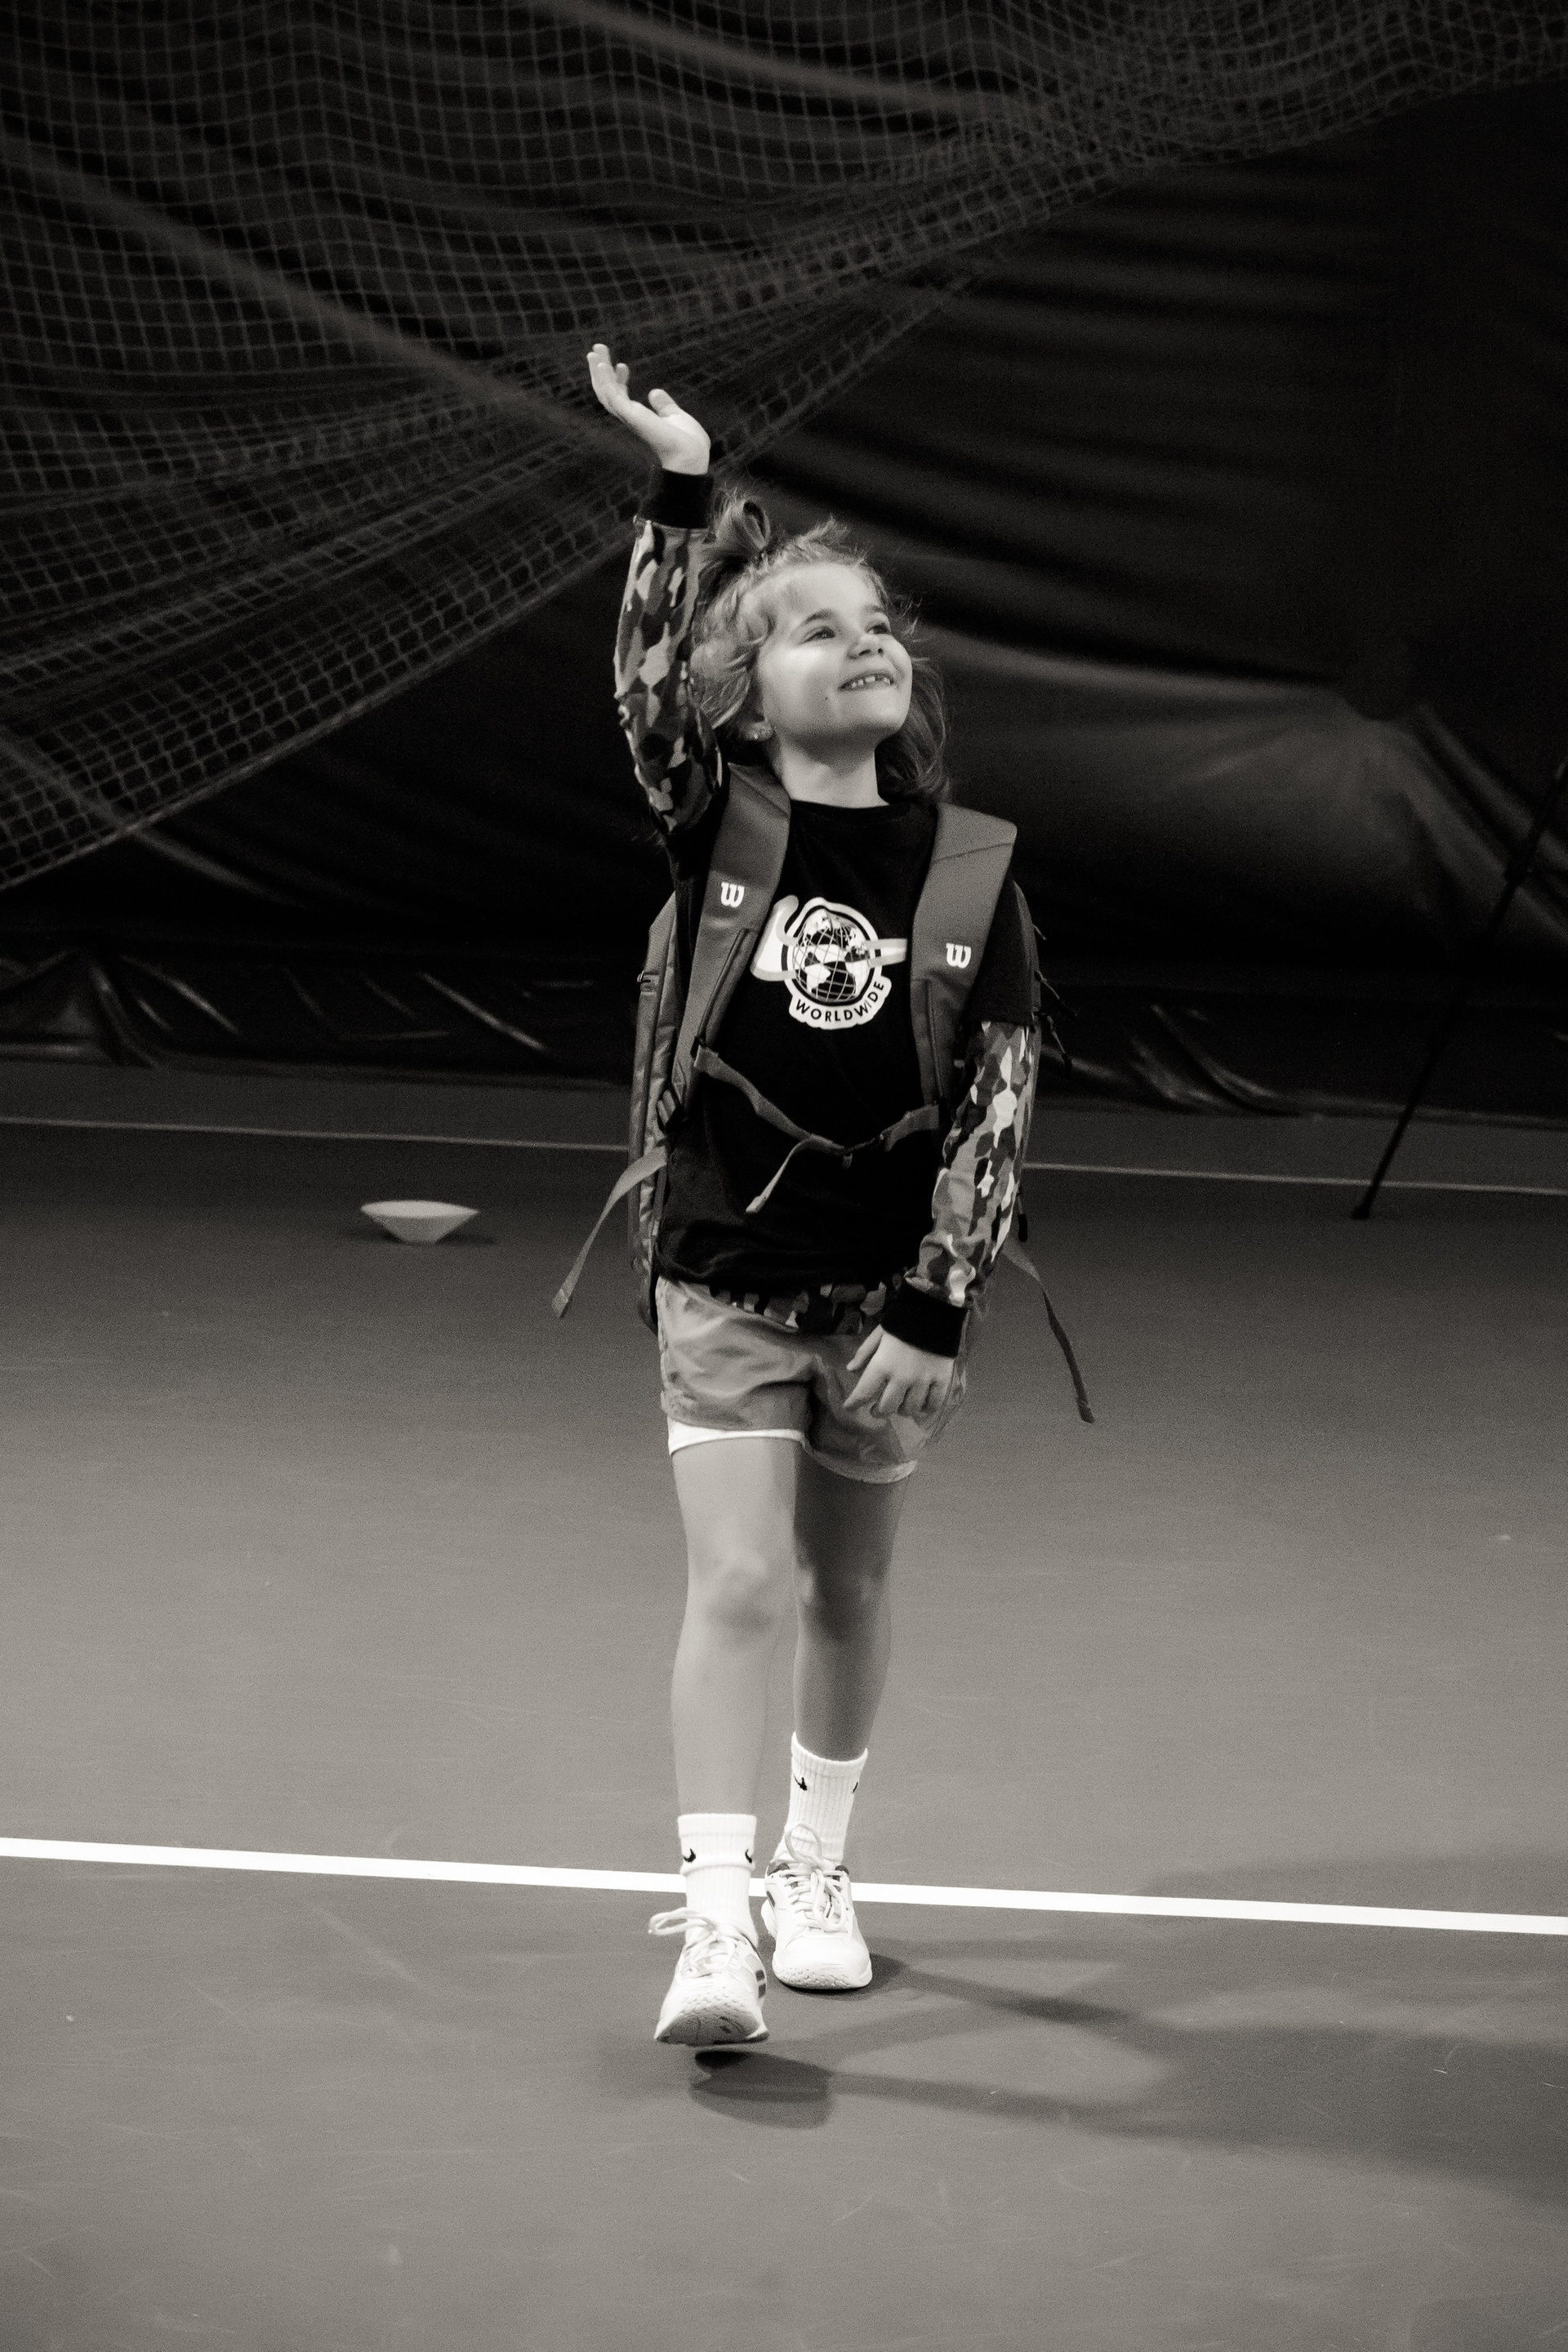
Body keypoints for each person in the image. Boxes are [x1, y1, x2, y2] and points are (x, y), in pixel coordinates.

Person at [586, 341, 1040, 2047]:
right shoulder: (719, 825)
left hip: (884, 1305)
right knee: (741, 1586)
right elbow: (643, 686)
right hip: (726, 1266)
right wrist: (681, 490)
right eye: (812, 628)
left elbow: (998, 1103)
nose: (862, 641)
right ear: (744, 697)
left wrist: (938, 1301)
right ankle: (717, 1920)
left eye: (877, 623)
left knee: (848, 1589)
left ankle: (817, 1871)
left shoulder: (975, 870)